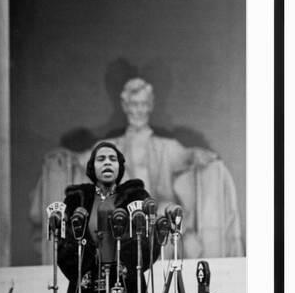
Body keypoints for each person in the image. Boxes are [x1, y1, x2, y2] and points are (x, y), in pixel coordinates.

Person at [30, 78, 243, 261]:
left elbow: (185, 156)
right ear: (125, 106)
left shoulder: (164, 146)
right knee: (113, 216)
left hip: (156, 209)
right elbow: (83, 160)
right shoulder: (112, 145)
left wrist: (198, 155)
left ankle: (159, 273)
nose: (138, 110)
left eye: (142, 104)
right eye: (133, 105)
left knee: (163, 213)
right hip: (120, 211)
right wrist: (66, 157)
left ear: (150, 106)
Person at [57, 141, 160, 293]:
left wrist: (130, 267)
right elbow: (64, 243)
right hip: (87, 283)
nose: (107, 163)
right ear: (92, 167)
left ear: (120, 166)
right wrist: (80, 271)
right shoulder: (77, 199)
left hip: (126, 282)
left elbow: (150, 243)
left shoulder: (136, 197)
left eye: (112, 159)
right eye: (101, 159)